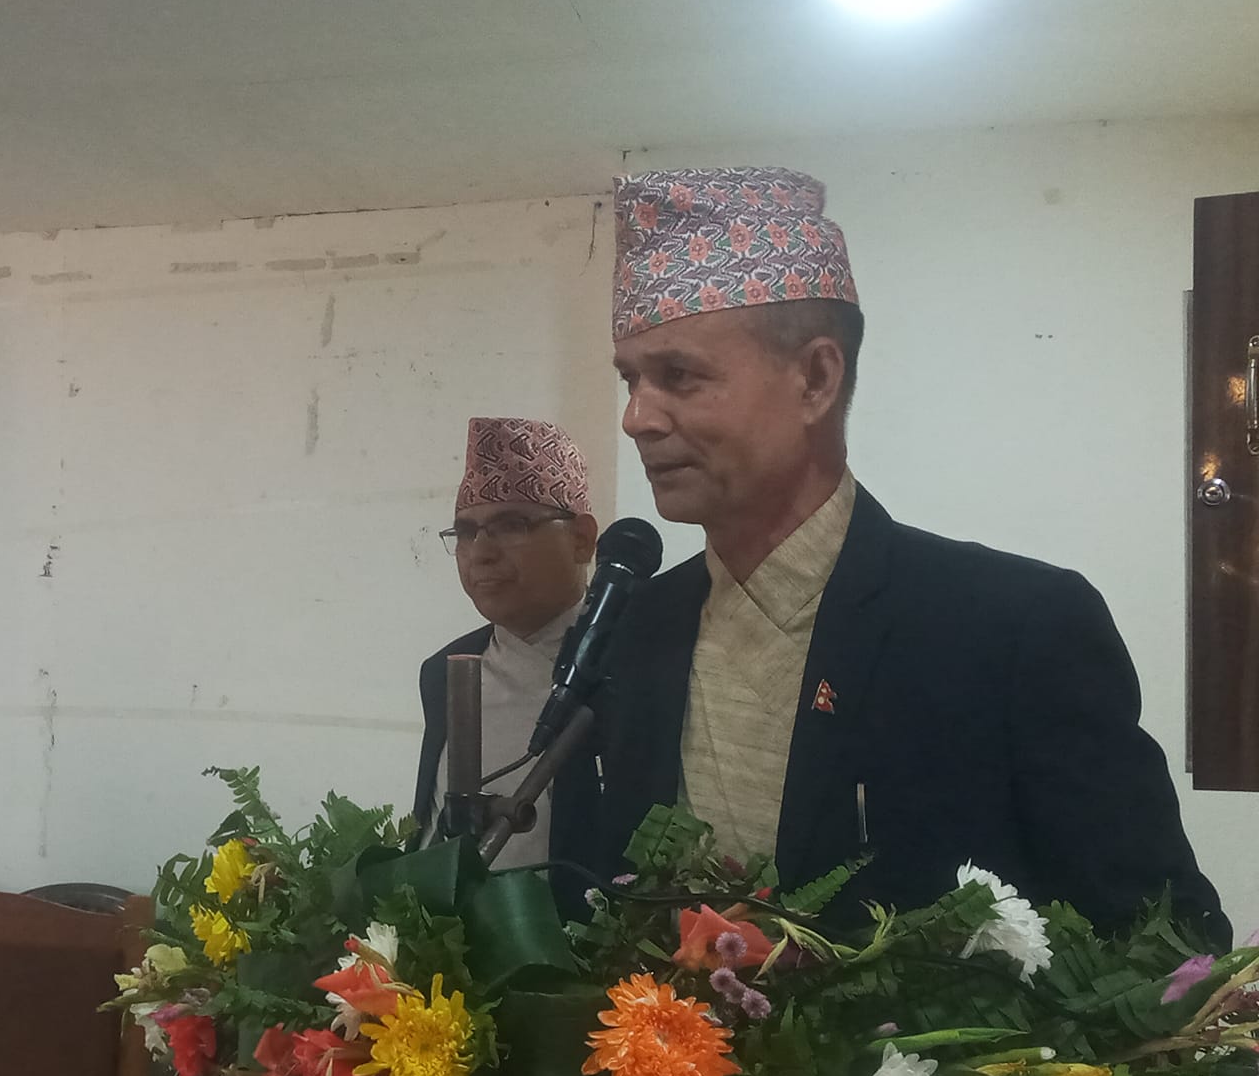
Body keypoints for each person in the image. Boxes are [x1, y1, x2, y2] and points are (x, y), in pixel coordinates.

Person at [595, 167, 1227, 943]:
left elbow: (1165, 942)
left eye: (679, 377)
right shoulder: (643, 625)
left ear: (815, 379)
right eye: (630, 380)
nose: (636, 418)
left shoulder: (1009, 628)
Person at [415, 417, 600, 871]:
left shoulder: (634, 663)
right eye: (465, 532)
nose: (481, 552)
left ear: (582, 540)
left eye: (512, 525)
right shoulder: (446, 671)